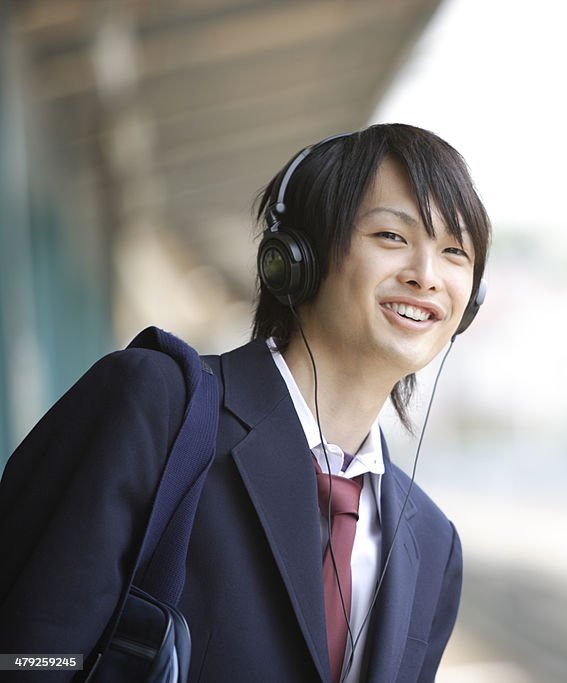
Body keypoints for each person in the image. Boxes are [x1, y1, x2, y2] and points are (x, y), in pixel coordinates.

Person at [0, 123, 491, 682]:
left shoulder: (430, 540)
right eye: (391, 237)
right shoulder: (157, 408)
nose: (426, 277)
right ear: (296, 256)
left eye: (454, 251)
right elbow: (25, 656)